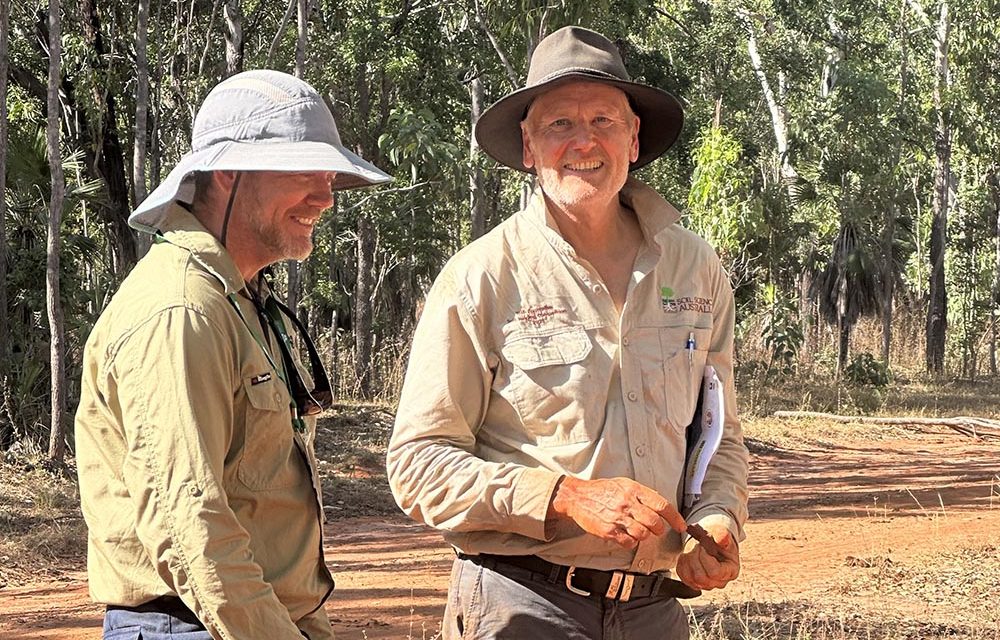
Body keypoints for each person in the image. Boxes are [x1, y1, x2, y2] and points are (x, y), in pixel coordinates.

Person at [386, 26, 748, 639]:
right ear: (528, 146)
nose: (584, 141)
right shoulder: (481, 277)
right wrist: (562, 496)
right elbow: (418, 463)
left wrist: (717, 518)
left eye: (604, 120)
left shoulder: (694, 268)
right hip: (521, 602)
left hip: (655, 611)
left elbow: (719, 434)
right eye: (559, 125)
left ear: (633, 139)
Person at [75, 69, 391, 639]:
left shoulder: (237, 299)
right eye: (304, 171)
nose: (325, 196)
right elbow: (189, 523)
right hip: (199, 626)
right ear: (227, 171)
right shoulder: (182, 311)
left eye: (328, 175)